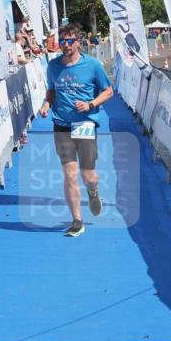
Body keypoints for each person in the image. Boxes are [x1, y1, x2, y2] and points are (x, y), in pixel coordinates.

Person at [37, 24, 114, 237]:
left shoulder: (92, 65)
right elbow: (52, 91)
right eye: (62, 41)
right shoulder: (53, 66)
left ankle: (93, 190)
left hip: (84, 124)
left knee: (87, 175)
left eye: (70, 40)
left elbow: (108, 91)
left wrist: (90, 104)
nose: (66, 45)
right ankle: (77, 221)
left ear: (78, 42)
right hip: (61, 124)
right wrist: (46, 104)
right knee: (70, 174)